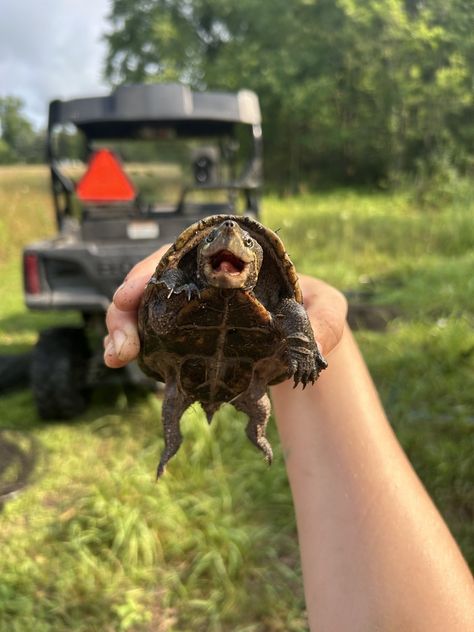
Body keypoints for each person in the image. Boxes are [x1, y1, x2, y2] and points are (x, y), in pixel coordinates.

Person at [104, 245, 474, 631]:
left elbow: (294, 313)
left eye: (248, 244)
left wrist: (302, 344)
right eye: (216, 240)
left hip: (244, 378)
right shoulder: (185, 277)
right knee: (173, 411)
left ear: (259, 261)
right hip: (185, 368)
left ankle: (257, 436)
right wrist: (170, 286)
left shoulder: (274, 294)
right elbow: (160, 317)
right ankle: (170, 450)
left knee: (256, 411)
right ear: (199, 258)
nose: (232, 239)